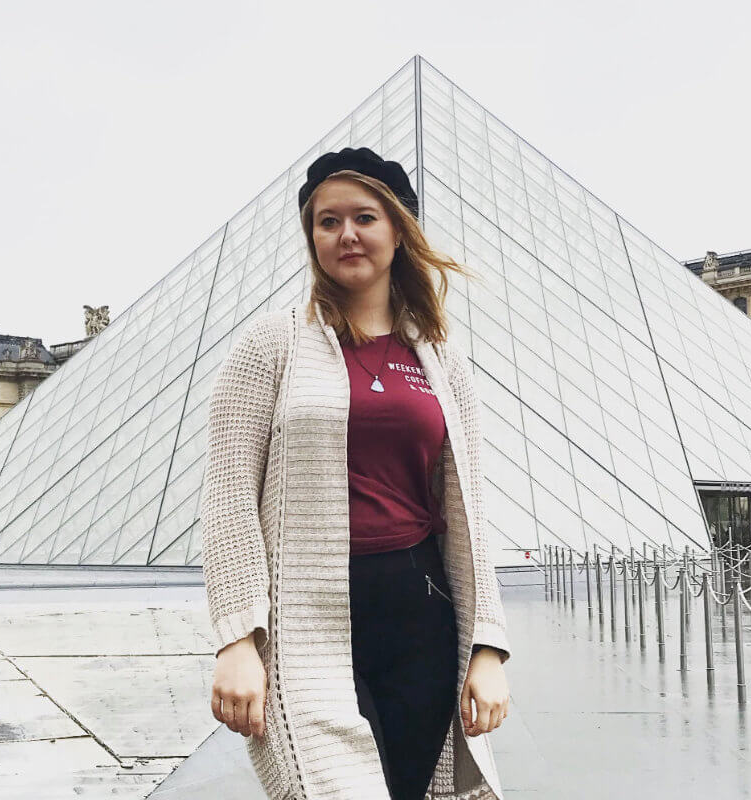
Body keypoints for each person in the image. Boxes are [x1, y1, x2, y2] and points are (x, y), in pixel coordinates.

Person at [201, 147, 511, 800]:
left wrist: (488, 648)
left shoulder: (443, 362)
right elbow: (229, 495)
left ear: (399, 230)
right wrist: (236, 638)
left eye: (364, 217)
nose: (345, 234)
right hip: (301, 623)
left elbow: (468, 514)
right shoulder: (269, 346)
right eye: (327, 220)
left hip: (422, 617)